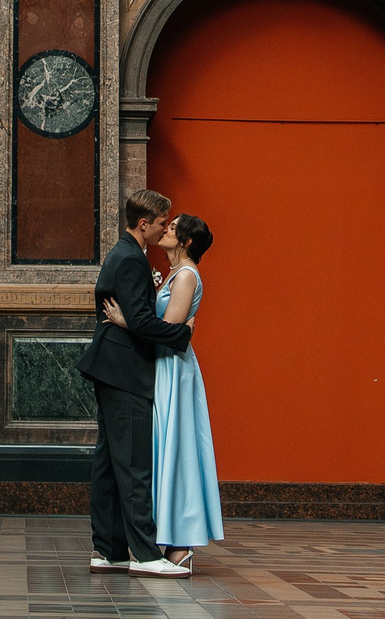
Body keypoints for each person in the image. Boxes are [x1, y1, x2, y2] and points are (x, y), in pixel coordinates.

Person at [80, 189, 197, 579]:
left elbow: (134, 314)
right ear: (144, 224)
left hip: (112, 367)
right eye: (163, 222)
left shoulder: (127, 255)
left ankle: (108, 550)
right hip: (124, 368)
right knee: (132, 465)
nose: (166, 227)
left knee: (110, 465)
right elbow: (143, 322)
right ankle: (145, 555)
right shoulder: (130, 260)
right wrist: (181, 335)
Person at [100, 212, 223, 567]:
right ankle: (167, 536)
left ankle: (182, 544)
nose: (165, 229)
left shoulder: (185, 276)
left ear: (184, 242)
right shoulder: (174, 274)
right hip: (163, 366)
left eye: (172, 228)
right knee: (164, 447)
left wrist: (127, 321)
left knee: (177, 446)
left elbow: (166, 330)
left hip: (173, 368)